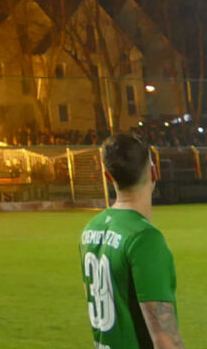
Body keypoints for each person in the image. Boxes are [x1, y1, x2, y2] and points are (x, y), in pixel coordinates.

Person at [78, 133, 186, 349]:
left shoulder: (90, 230)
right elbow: (165, 340)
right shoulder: (144, 238)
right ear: (154, 171)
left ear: (109, 177)